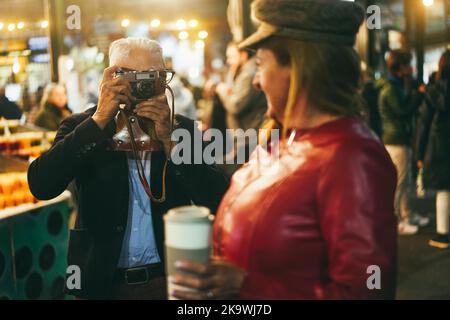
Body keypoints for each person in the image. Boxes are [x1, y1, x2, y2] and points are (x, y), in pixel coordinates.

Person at [170, 0, 397, 300]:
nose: (255, 81)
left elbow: (369, 291)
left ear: (297, 68)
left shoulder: (352, 157)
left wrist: (247, 286)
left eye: (261, 64)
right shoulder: (280, 138)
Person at [27, 38, 228, 299]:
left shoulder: (183, 129)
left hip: (168, 280)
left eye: (156, 76)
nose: (147, 85)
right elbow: (42, 185)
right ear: (113, 78)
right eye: (137, 77)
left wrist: (170, 140)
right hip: (100, 281)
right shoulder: (82, 127)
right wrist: (99, 119)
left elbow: (218, 198)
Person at [379, 50, 429, 235]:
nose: (411, 68)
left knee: (405, 180)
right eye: (408, 64)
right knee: (398, 182)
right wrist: (418, 95)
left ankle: (406, 214)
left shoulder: (397, 85)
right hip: (395, 140)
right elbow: (402, 111)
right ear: (400, 68)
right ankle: (395, 221)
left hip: (401, 139)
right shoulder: (390, 88)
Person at [205, 41, 267, 176]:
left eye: (232, 57)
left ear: (243, 56)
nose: (228, 61)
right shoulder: (240, 71)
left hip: (248, 138)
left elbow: (235, 105)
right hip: (243, 137)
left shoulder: (249, 74)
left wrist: (221, 90)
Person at [416, 50, 450, 249]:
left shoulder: (433, 91)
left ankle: (443, 234)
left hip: (440, 146)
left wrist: (419, 153)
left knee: (444, 190)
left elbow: (423, 124)